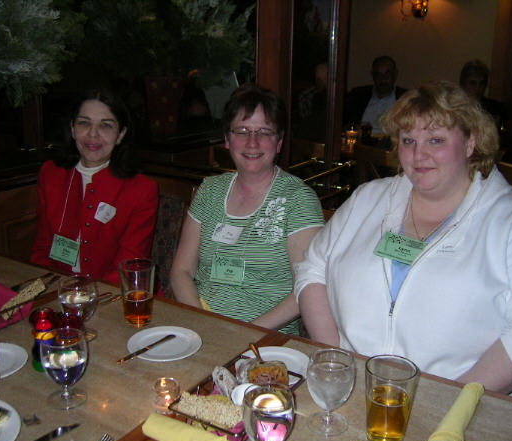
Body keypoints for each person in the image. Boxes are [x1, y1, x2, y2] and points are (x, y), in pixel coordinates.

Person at [295, 80, 512, 400]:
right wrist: (337, 360)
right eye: (408, 139)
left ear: (470, 143)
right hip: (358, 391)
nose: (418, 154)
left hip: (467, 405)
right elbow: (314, 266)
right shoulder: (368, 199)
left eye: (436, 140)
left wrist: (447, 400)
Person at [170, 84, 324, 334]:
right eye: (242, 131)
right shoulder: (209, 190)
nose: (252, 142)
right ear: (227, 140)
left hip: (265, 337)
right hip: (202, 326)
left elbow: (305, 290)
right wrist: (201, 323)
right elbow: (181, 271)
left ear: (279, 143)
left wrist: (239, 334)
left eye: (264, 132)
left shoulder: (298, 199)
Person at [31, 88, 158, 284]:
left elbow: (129, 265)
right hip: (58, 288)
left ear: (121, 134)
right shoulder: (51, 174)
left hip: (113, 294)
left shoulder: (141, 189)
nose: (93, 134)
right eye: (84, 123)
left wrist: (86, 295)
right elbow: (42, 247)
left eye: (106, 126)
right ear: (72, 129)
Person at [344, 55, 407, 134]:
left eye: (387, 74)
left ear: (395, 74)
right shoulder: (358, 95)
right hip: (362, 143)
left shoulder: (405, 98)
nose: (383, 78)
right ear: (373, 75)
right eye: (378, 74)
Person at [459, 59, 506, 127]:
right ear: (463, 84)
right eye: (473, 83)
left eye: (482, 84)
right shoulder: (455, 107)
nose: (478, 88)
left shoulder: (494, 108)